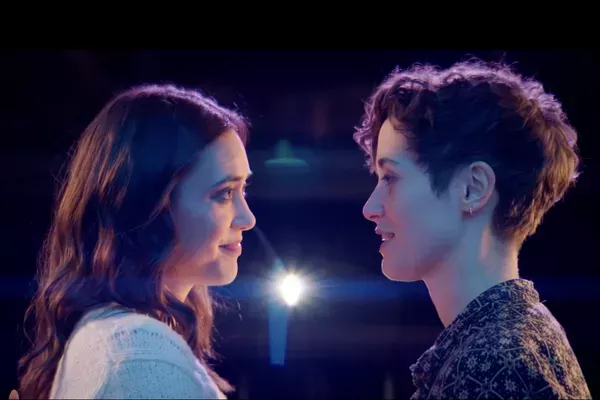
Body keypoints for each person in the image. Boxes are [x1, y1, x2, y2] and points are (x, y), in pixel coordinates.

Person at [354, 60, 591, 399]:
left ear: (472, 188)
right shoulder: (513, 337)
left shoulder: (495, 362)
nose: (370, 208)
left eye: (390, 178)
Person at [15, 84, 256, 399]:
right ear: (152, 205)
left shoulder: (122, 342)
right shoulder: (139, 357)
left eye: (243, 190)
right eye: (224, 193)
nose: (247, 218)